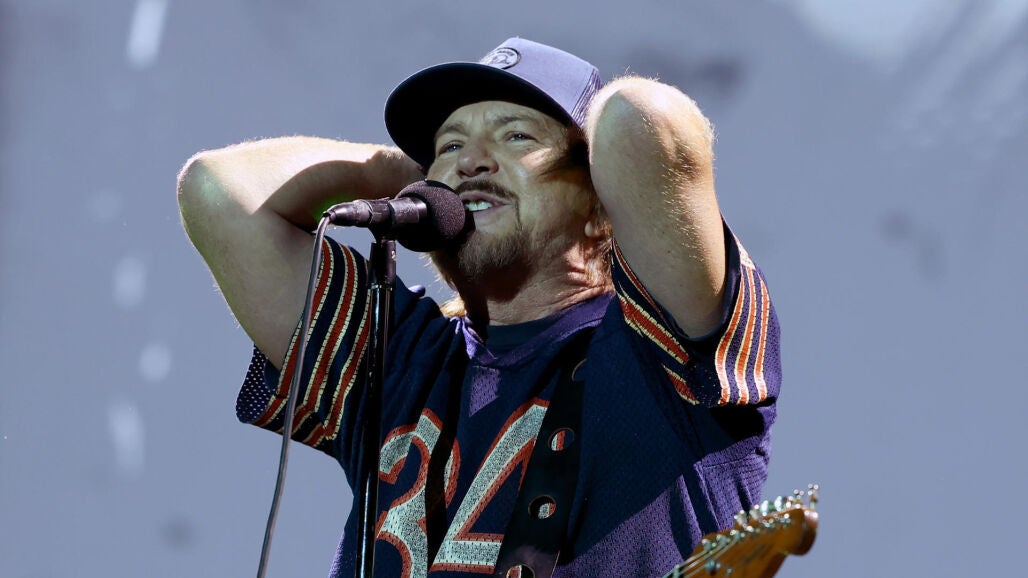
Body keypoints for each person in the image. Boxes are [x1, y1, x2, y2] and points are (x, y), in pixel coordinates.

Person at [178, 37, 780, 578]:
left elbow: (641, 120)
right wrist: (410, 176)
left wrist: (473, 170)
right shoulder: (401, 357)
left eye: (517, 136)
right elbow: (217, 190)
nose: (470, 162)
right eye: (450, 145)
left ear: (602, 202)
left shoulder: (659, 352)